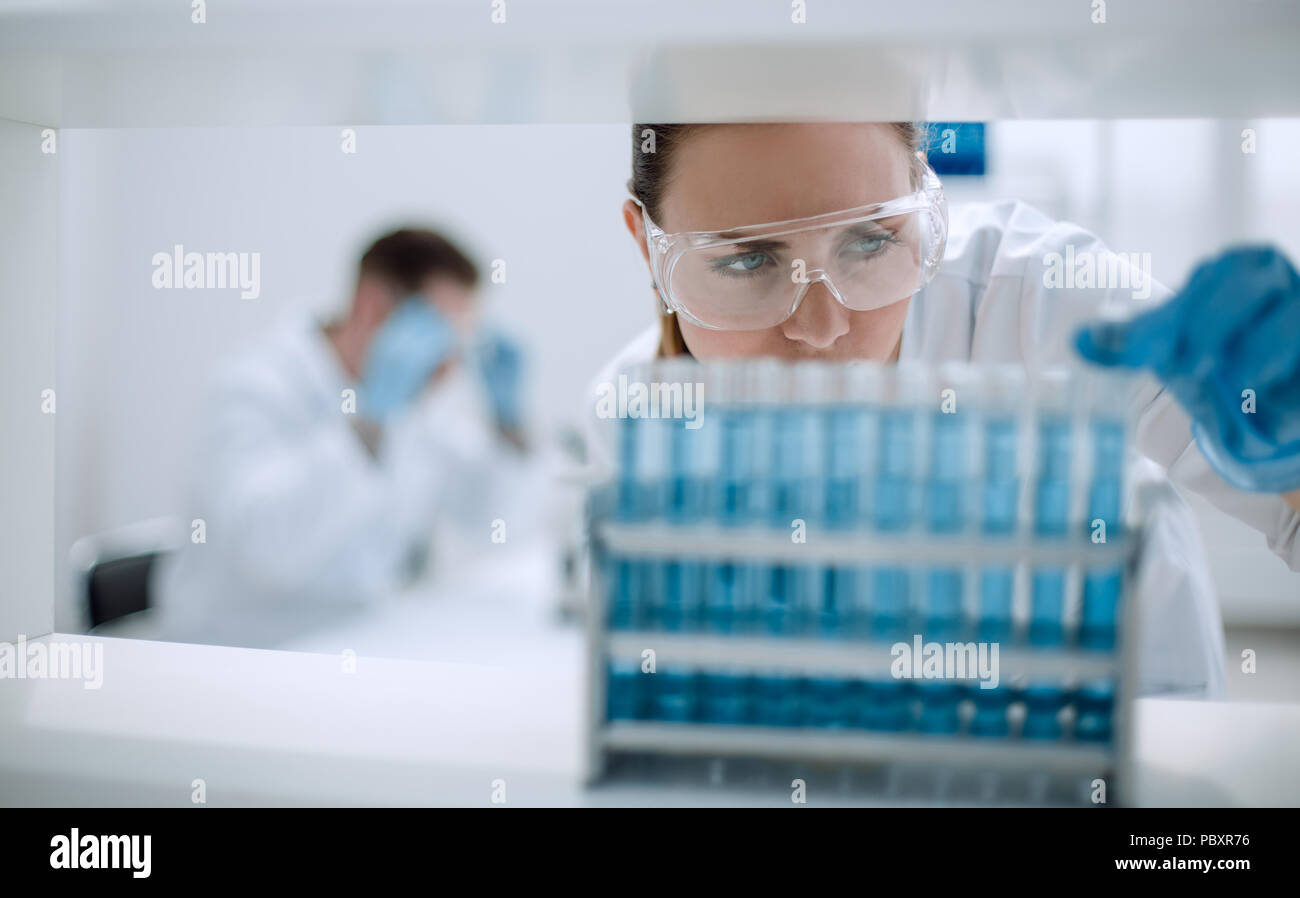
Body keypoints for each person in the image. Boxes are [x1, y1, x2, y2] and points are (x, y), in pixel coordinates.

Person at [590, 122, 1300, 698]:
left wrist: (1286, 439)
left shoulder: (1034, 296)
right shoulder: (632, 419)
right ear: (644, 245)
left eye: (870, 241)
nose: (823, 326)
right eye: (747, 261)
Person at [154, 227, 529, 647]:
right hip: (244, 653)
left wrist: (508, 423)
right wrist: (368, 426)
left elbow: (494, 525)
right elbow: (271, 546)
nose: (449, 369)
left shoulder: (415, 403)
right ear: (370, 308)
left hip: (355, 644)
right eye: (438, 338)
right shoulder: (254, 386)